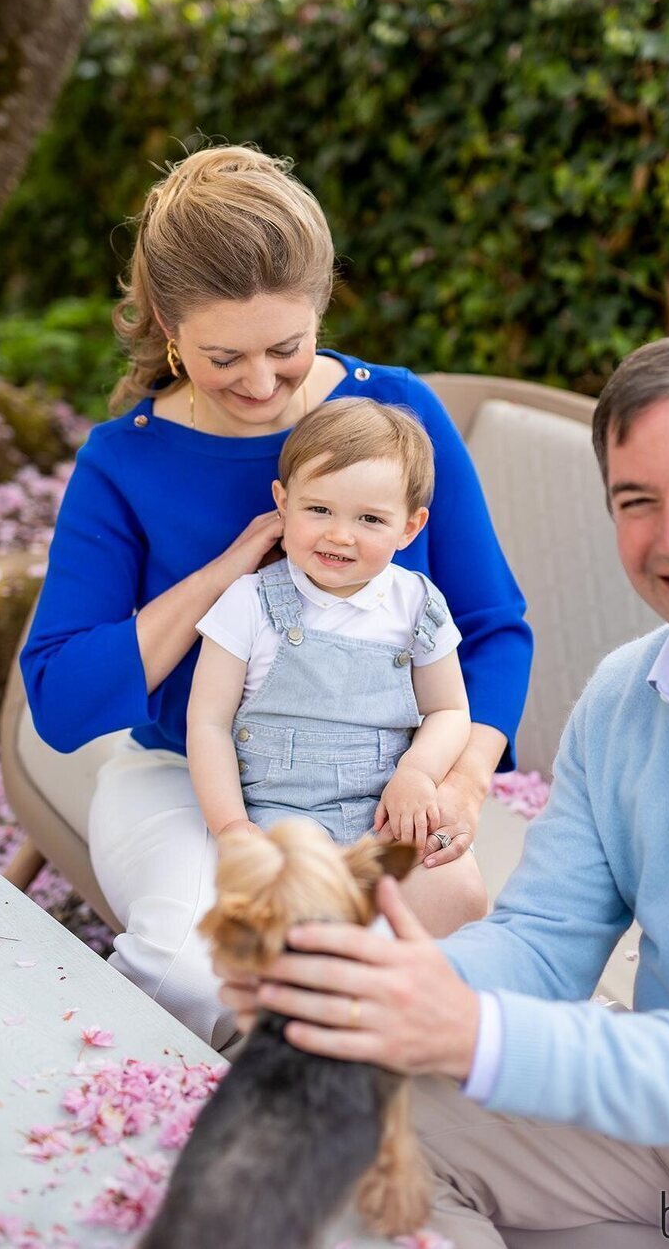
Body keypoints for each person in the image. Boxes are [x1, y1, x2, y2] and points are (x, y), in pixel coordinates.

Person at [222, 330, 669, 1245]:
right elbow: (547, 940)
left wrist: (469, 1031)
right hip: (657, 1130)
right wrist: (381, 986)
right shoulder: (628, 693)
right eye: (638, 500)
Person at [20, 144, 532, 1048]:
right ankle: (146, 1154)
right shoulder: (123, 462)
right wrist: (228, 573)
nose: (259, 385)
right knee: (197, 967)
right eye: (223, 356)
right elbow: (61, 700)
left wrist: (458, 785)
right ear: (168, 330)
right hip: (186, 776)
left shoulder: (397, 417)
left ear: (321, 308)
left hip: (372, 780)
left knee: (442, 950)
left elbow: (493, 634)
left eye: (287, 350)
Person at [187, 396, 487, 938]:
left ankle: (429, 1003)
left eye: (370, 519)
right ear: (283, 502)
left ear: (410, 528)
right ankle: (332, 998)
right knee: (308, 915)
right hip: (284, 813)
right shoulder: (250, 602)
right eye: (319, 509)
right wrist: (232, 826)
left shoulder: (417, 604)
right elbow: (207, 723)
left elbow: (448, 709)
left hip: (387, 806)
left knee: (460, 895)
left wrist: (417, 774)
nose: (340, 534)